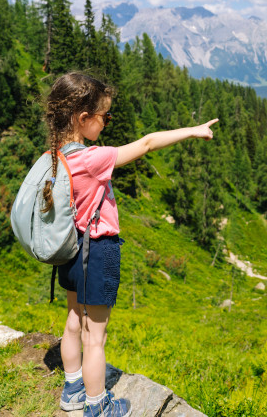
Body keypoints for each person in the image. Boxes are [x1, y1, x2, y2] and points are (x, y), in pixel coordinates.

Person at [45, 72, 217, 416]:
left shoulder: (58, 153)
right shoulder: (92, 158)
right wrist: (193, 131)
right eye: (105, 116)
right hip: (98, 249)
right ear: (83, 118)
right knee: (97, 338)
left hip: (71, 248)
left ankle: (72, 390)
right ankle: (97, 406)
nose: (107, 122)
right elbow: (149, 142)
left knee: (72, 321)